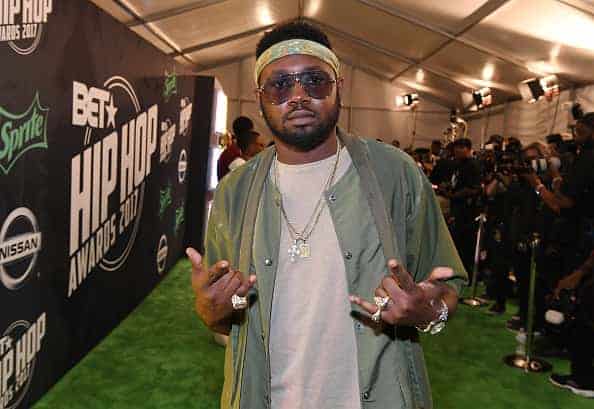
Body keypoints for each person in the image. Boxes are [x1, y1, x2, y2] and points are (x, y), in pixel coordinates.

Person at [188, 20, 466, 409]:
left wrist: (427, 310)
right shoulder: (236, 191)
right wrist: (209, 310)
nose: (298, 96)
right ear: (260, 97)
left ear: (339, 87)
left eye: (314, 81)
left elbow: (447, 290)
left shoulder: (396, 174)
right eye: (280, 84)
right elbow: (225, 314)